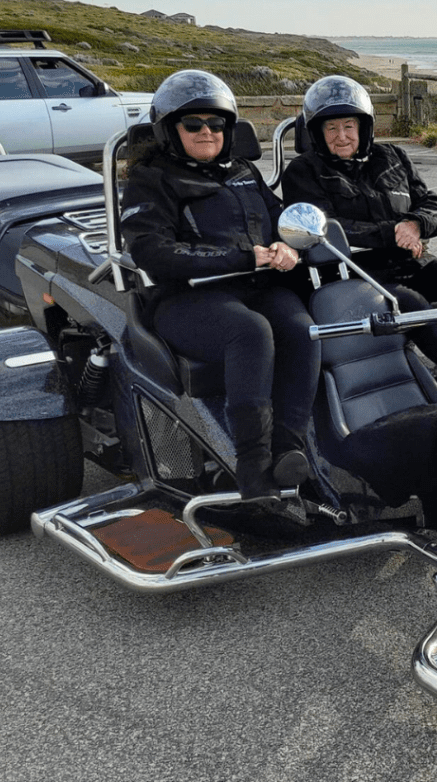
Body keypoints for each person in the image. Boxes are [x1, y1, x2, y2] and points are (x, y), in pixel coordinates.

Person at [121, 69, 319, 498]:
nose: (206, 132)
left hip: (256, 286)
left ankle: (289, 450)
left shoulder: (243, 171)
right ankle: (254, 469)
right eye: (193, 124)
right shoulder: (150, 179)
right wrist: (242, 256)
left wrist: (288, 247)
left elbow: (281, 219)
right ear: (169, 130)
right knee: (250, 332)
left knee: (304, 328)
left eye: (216, 123)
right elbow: (151, 251)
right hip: (185, 298)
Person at [281, 75, 437, 392]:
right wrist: (392, 232)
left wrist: (415, 224)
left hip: (411, 262)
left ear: (363, 127)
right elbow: (324, 228)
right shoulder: (304, 171)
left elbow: (431, 202)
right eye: (331, 128)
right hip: (360, 273)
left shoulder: (393, 157)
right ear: (316, 131)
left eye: (348, 126)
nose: (341, 136)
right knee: (409, 302)